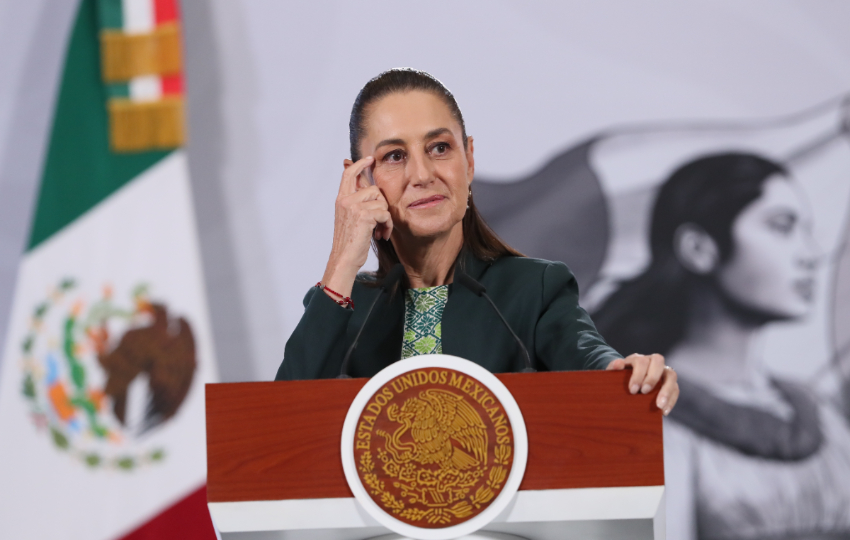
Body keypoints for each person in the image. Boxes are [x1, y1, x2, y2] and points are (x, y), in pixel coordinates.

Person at [274, 68, 678, 416]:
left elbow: (588, 356)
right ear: (361, 179)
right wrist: (343, 259)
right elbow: (281, 423)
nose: (423, 173)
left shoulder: (534, 290)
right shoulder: (344, 306)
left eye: (439, 148)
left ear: (468, 159)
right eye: (395, 156)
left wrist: (625, 374)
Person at [593, 152, 850, 539]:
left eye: (806, 230)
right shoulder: (641, 415)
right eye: (782, 227)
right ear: (699, 248)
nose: (812, 254)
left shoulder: (824, 415)